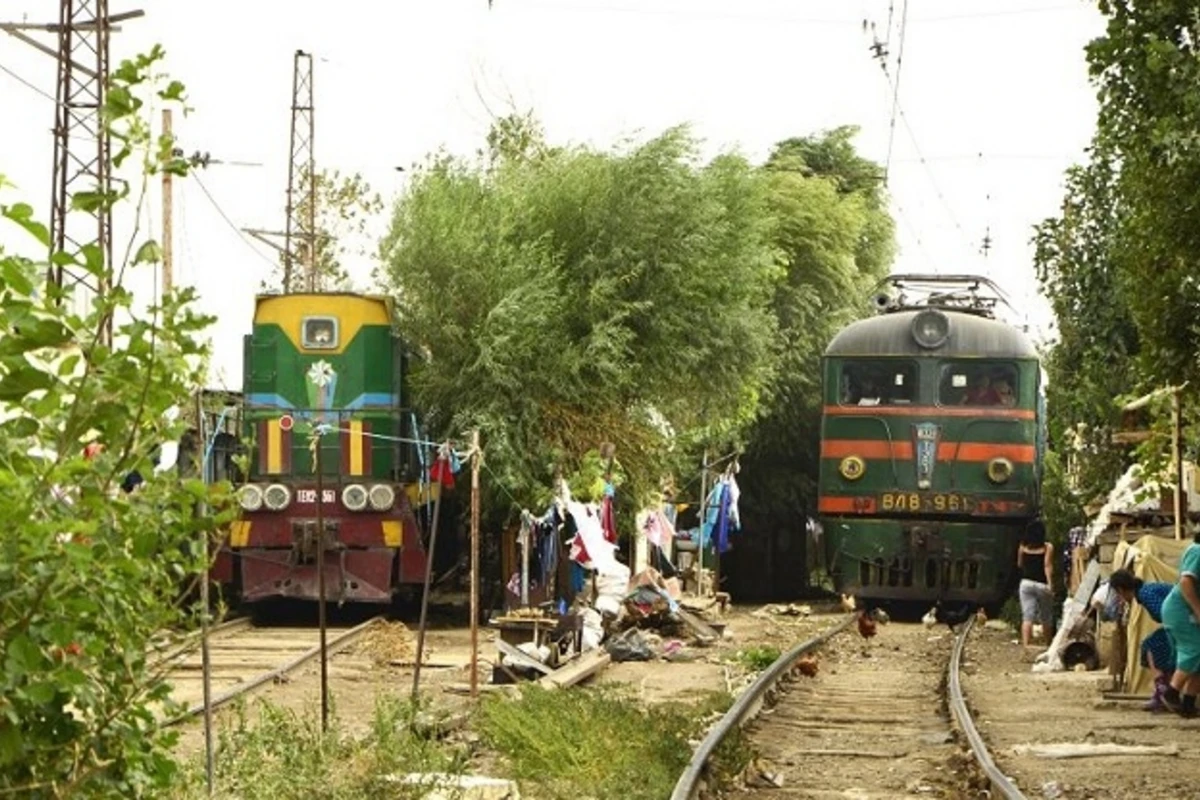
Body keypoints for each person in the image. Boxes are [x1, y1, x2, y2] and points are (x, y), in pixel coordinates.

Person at [1108, 569, 1176, 712]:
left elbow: (1164, 613)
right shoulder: (1145, 590)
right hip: (1179, 622)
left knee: (1151, 646)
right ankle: (1165, 691)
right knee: (1155, 646)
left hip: (1180, 624)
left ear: (1120, 590)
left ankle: (1162, 690)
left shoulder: (1145, 594)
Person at [1159, 534, 1200, 717]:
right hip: (1181, 609)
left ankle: (1188, 704)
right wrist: (1198, 610)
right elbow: (1185, 582)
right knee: (1195, 649)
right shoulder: (1197, 551)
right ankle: (1172, 692)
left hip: (1185, 608)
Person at [1016, 520, 1056, 647]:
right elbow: (1047, 566)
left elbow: (1019, 564)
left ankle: (1026, 647)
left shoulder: (1023, 547)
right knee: (1046, 617)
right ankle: (1048, 645)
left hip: (1025, 583)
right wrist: (1050, 584)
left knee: (1027, 617)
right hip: (1041, 584)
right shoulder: (1047, 547)